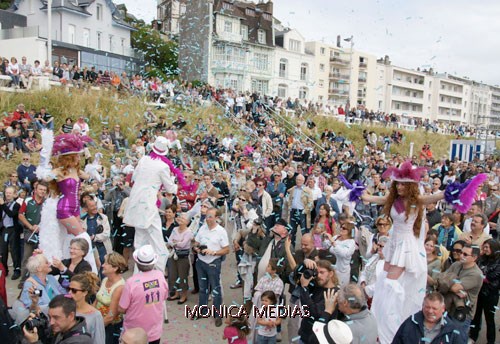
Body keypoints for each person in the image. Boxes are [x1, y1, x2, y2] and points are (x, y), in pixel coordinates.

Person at [361, 161, 446, 344]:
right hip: (393, 243)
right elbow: (375, 199)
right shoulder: (393, 200)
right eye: (397, 183)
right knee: (385, 281)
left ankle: (391, 328)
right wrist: (361, 194)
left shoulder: (416, 201)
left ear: (410, 186)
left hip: (405, 246)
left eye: (403, 184)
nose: (399, 187)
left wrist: (451, 192)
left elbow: (433, 198)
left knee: (391, 286)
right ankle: (381, 321)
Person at [123, 136, 187, 273]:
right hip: (148, 205)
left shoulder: (144, 159)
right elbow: (170, 189)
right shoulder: (163, 166)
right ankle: (158, 272)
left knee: (140, 240)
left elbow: (134, 178)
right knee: (159, 244)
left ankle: (138, 272)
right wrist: (181, 185)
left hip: (135, 203)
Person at [118, 245, 168, 344]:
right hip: (154, 331)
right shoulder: (160, 276)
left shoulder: (131, 282)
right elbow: (164, 297)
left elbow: (121, 308)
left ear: (136, 262)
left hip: (133, 334)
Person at [437, 244, 483, 343]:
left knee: (457, 340)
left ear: (474, 257)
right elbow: (440, 279)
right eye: (461, 252)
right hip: (447, 309)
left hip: (461, 314)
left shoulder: (476, 274)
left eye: (465, 254)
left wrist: (447, 281)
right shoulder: (456, 264)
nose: (461, 255)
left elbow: (453, 287)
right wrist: (445, 282)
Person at [192, 207, 230, 327]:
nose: (207, 219)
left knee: (215, 289)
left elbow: (227, 249)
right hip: (201, 262)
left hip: (213, 263)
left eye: (210, 216)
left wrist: (213, 252)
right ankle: (202, 310)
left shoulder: (221, 231)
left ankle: (218, 314)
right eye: (207, 216)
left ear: (217, 218)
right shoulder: (202, 228)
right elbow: (196, 243)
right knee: (203, 288)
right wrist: (196, 248)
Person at [392, 292, 462, 344]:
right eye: (427, 307)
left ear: (443, 308)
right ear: (423, 306)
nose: (430, 311)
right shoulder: (410, 323)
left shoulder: (452, 330)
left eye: (434, 308)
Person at [298, 259, 340, 344]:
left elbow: (312, 312)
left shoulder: (334, 293)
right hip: (304, 336)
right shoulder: (317, 285)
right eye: (317, 272)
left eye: (322, 272)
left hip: (316, 339)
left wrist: (305, 288)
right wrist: (304, 263)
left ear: (331, 274)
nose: (318, 276)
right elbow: (296, 275)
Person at [22, 294, 93, 344]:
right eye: (49, 317)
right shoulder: (63, 327)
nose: (51, 322)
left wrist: (34, 342)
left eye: (56, 317)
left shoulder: (80, 341)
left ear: (71, 316)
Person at [469, 239, 499, 344]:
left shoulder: (498, 261)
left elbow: (492, 276)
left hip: (491, 294)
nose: (485, 249)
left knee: (489, 319)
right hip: (479, 292)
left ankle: (490, 341)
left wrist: (481, 276)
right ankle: (473, 337)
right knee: (476, 317)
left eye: (487, 247)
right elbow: (475, 270)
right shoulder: (481, 259)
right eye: (484, 247)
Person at [19, 181, 48, 288]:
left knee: (42, 257)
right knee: (27, 257)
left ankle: (41, 280)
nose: (42, 192)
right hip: (29, 232)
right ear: (35, 190)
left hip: (43, 233)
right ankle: (23, 281)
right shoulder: (27, 200)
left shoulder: (47, 202)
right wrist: (31, 227)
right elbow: (21, 215)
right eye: (40, 189)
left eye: (44, 190)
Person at [94, 252, 127, 344]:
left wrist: (96, 328)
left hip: (110, 327)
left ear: (115, 268)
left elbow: (111, 316)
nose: (103, 265)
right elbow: (96, 301)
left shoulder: (119, 287)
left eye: (106, 263)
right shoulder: (105, 280)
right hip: (99, 321)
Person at [69, 272, 105, 344]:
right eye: (68, 289)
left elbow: (99, 340)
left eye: (74, 291)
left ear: (84, 293)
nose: (69, 292)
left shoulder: (95, 315)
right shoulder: (66, 308)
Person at [166, 212, 193, 304]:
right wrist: (177, 242)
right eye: (180, 217)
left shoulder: (188, 232)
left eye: (183, 218)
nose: (180, 219)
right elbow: (169, 241)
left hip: (183, 257)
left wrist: (175, 242)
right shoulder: (174, 229)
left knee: (182, 276)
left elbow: (183, 244)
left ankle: (184, 295)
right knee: (173, 275)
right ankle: (176, 293)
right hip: (173, 255)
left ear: (188, 221)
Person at [323, 221, 356, 286]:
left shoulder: (351, 242)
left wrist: (333, 242)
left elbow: (344, 254)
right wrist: (323, 238)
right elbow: (326, 245)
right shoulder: (336, 237)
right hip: (332, 268)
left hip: (342, 271)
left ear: (349, 231)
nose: (341, 229)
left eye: (344, 228)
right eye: (341, 227)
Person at [0, 185, 22, 280]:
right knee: (3, 250)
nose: (8, 194)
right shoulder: (3, 204)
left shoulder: (16, 205)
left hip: (13, 229)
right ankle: (4, 269)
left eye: (10, 193)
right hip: (4, 229)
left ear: (14, 194)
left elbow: (11, 214)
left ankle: (17, 269)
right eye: (6, 192)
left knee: (14, 250)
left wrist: (3, 205)